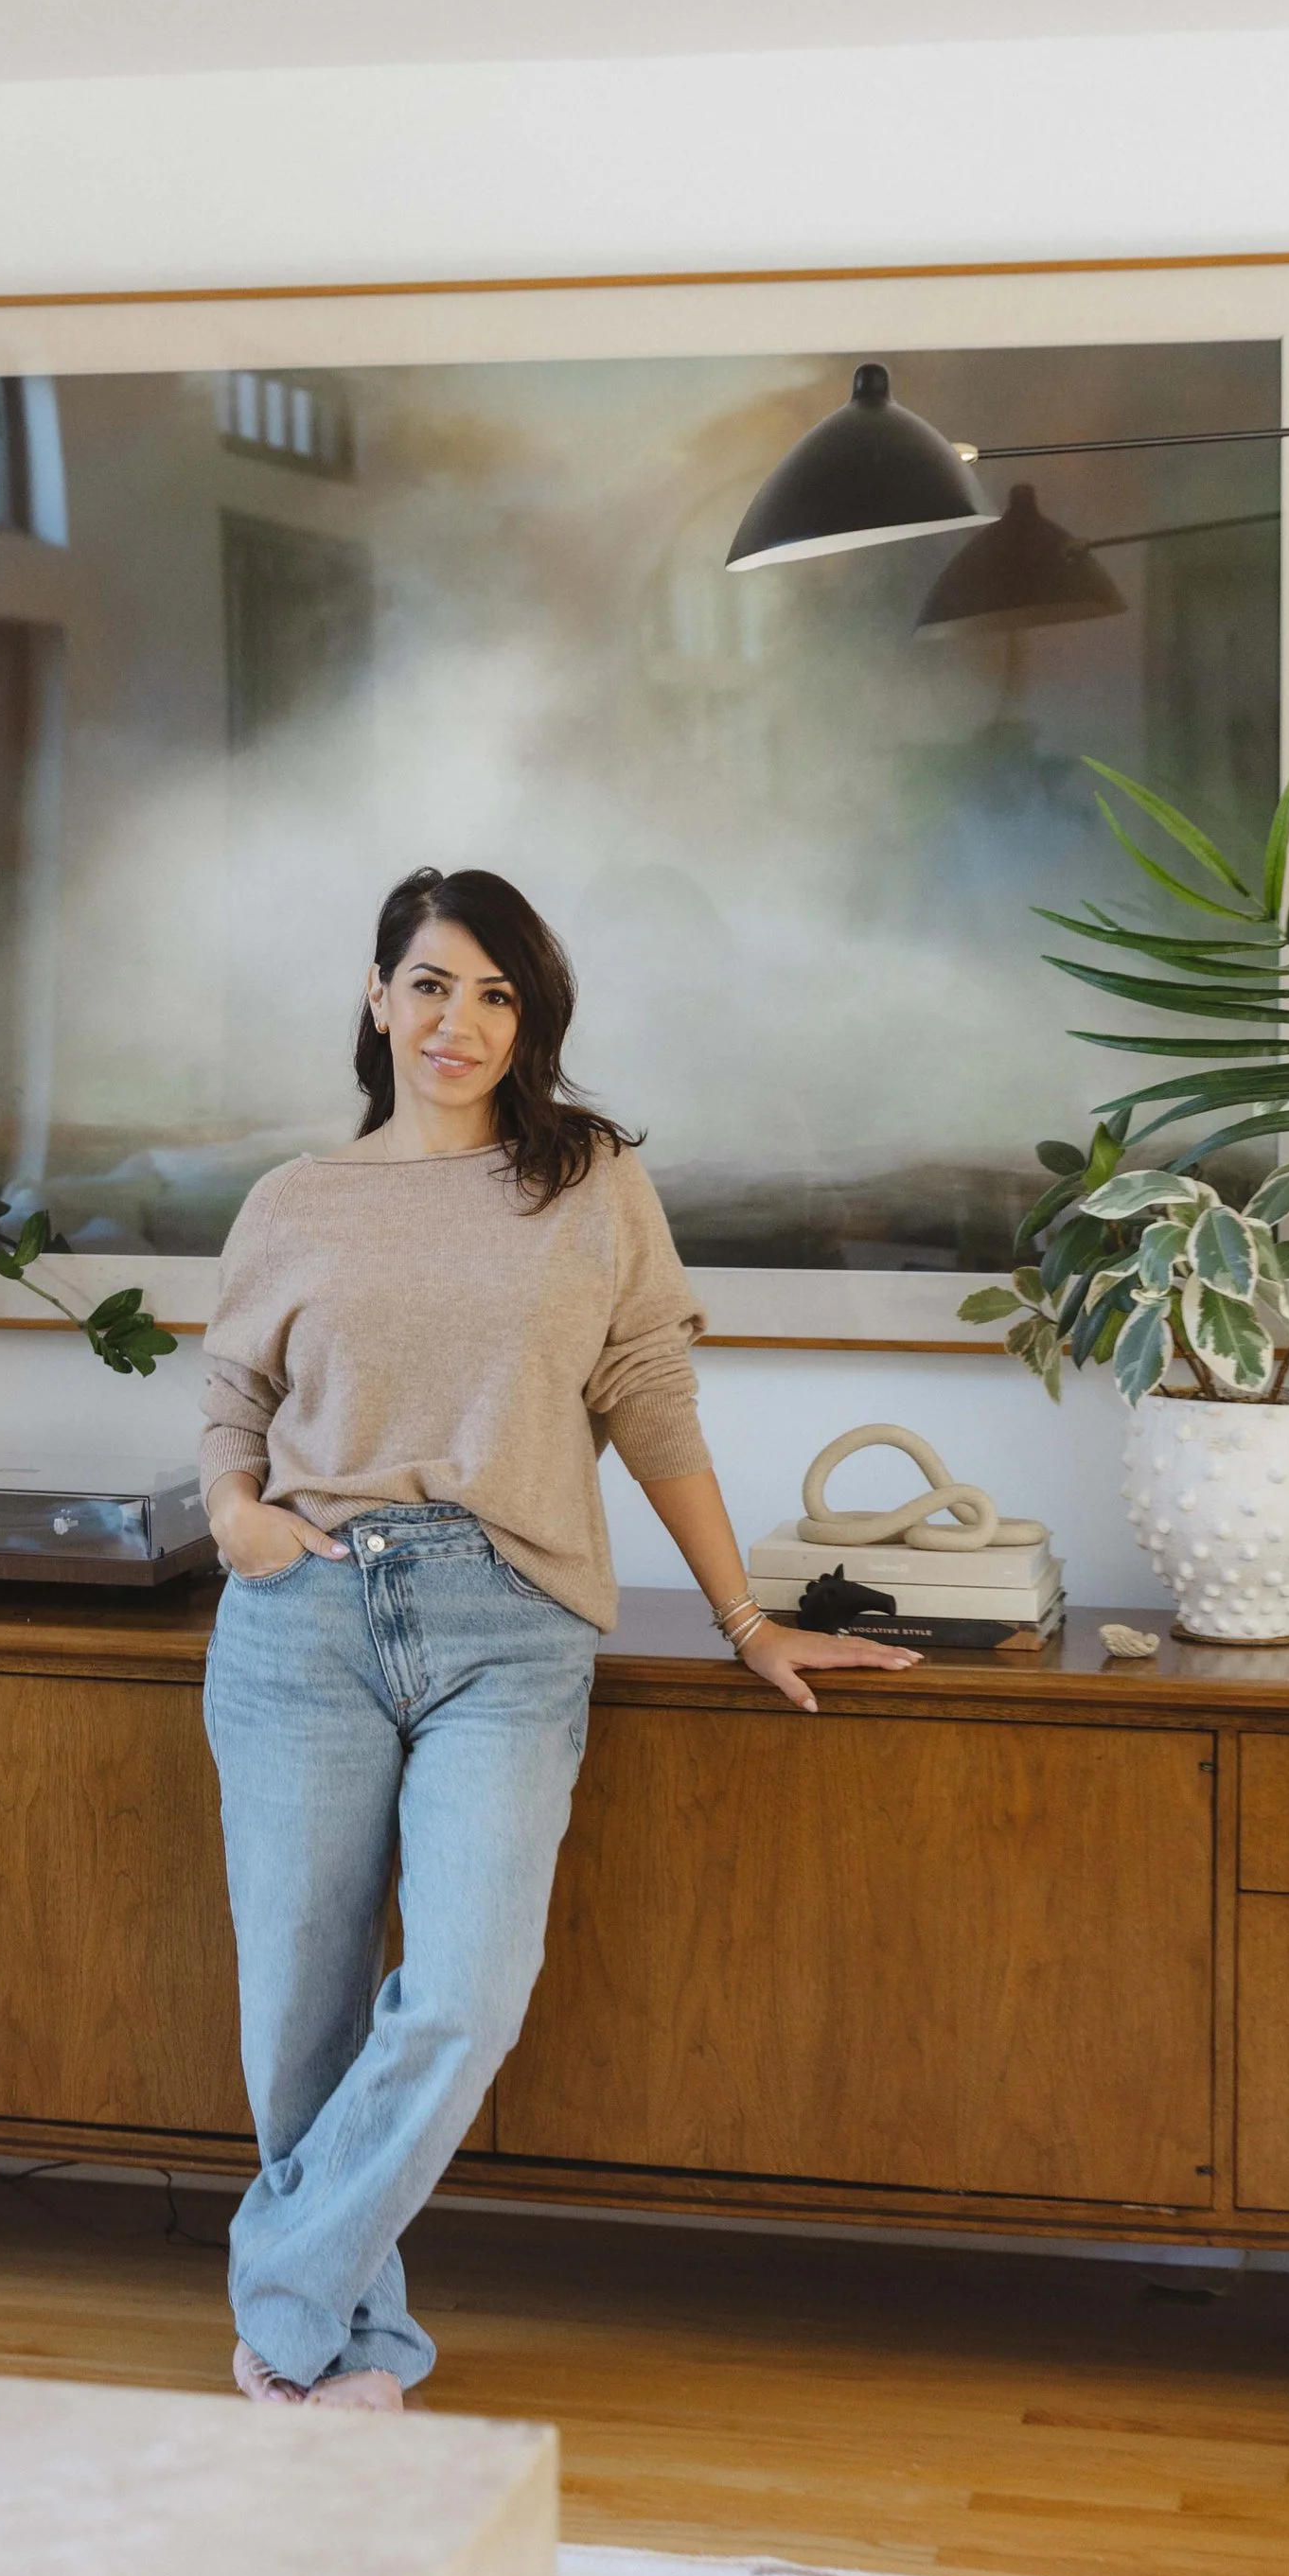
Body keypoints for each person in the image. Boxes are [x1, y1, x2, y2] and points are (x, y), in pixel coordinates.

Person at [198, 862, 918, 2409]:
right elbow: (233, 1403)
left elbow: (649, 1401)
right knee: (299, 2021)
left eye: (499, 993)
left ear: (531, 1022)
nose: (462, 1020)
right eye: (435, 983)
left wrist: (748, 1620)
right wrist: (233, 1514)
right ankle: (351, 2348)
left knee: (462, 1986)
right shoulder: (293, 1203)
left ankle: (281, 2297)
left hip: (504, 1622)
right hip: (299, 1614)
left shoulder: (587, 1180)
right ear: (379, 997)